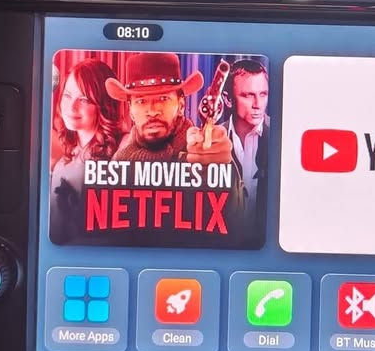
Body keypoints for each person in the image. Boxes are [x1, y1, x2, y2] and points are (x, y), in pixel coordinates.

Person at [107, 51, 233, 165]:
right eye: (141, 101)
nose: (152, 111)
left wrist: (221, 167)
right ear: (131, 111)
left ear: (181, 105)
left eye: (163, 98)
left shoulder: (197, 151)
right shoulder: (119, 161)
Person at [50, 58, 124, 243]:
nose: (71, 107)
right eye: (67, 96)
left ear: (103, 104)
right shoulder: (62, 165)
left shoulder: (124, 147)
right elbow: (55, 235)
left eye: (84, 99)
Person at [224, 59, 269, 225]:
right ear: (228, 99)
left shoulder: (279, 134)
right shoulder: (212, 140)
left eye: (263, 94)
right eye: (248, 95)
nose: (258, 105)